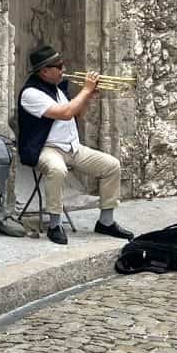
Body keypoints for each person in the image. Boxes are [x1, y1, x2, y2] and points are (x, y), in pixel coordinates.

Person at [18, 45, 134, 246]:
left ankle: (106, 221)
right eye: (59, 66)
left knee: (112, 165)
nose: (63, 70)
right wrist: (87, 89)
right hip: (45, 148)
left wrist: (88, 95)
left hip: (72, 147)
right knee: (57, 169)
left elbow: (77, 114)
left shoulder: (58, 89)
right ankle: (55, 224)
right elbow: (65, 113)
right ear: (45, 71)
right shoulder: (30, 93)